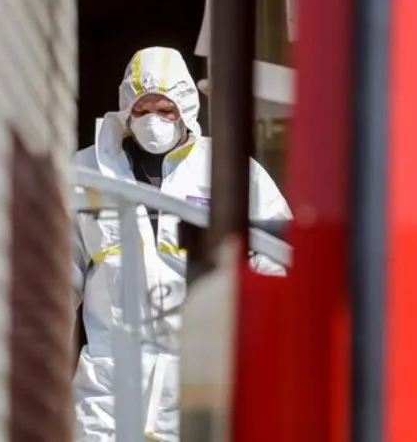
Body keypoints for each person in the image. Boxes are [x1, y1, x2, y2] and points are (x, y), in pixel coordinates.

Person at [71, 46, 290, 441]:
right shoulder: (88, 172)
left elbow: (277, 259)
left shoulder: (227, 169)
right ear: (126, 110)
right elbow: (55, 280)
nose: (153, 120)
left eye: (165, 110)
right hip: (109, 387)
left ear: (186, 109)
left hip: (199, 377)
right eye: (142, 109)